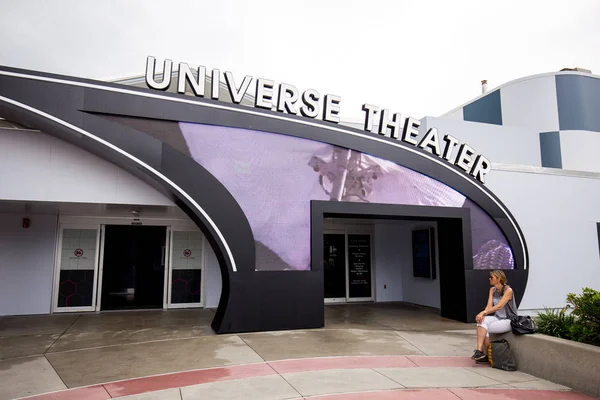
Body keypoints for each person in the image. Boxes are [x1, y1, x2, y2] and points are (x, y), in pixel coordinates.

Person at [471, 270, 518, 363]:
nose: (489, 279)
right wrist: (482, 314)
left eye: (491, 277)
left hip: (509, 320)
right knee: (481, 322)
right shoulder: (492, 290)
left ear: (498, 279)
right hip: (497, 317)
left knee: (485, 328)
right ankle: (479, 351)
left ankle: (488, 355)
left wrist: (483, 313)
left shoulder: (508, 290)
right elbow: (489, 306)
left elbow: (499, 306)